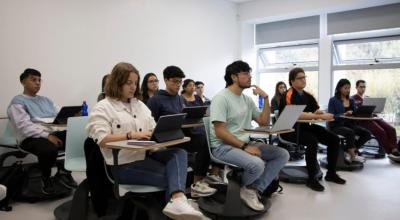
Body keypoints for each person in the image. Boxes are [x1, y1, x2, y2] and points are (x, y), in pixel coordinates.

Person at [86, 62, 204, 220]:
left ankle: (177, 202)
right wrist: (131, 135)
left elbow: (154, 128)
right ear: (116, 82)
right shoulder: (102, 107)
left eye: (135, 82)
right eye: (128, 82)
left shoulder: (139, 105)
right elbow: (103, 139)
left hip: (147, 155)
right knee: (177, 177)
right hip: (122, 164)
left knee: (179, 153)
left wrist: (157, 133)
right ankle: (178, 202)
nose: (133, 87)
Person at [209, 60, 289, 211]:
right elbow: (220, 131)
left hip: (244, 143)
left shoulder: (247, 99)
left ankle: (252, 189)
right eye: (245, 73)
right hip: (223, 147)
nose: (250, 77)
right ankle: (243, 186)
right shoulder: (221, 98)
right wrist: (245, 147)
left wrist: (265, 98)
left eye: (249, 73)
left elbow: (263, 121)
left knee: (282, 154)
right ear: (233, 77)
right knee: (257, 164)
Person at [147, 66, 217, 198]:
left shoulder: (179, 99)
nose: (178, 85)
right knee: (202, 141)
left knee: (206, 140)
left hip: (181, 134)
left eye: (180, 82)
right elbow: (149, 125)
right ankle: (195, 185)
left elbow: (182, 117)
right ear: (166, 80)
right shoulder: (155, 100)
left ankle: (198, 181)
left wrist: (192, 120)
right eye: (174, 81)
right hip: (165, 140)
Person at [7, 68, 77, 194]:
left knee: (80, 139)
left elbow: (59, 115)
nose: (38, 83)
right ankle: (45, 177)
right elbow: (24, 127)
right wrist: (47, 135)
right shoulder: (17, 102)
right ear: (23, 82)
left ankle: (64, 171)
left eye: (39, 80)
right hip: (30, 137)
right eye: (33, 80)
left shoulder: (46, 100)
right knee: (49, 150)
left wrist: (73, 116)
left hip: (52, 133)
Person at [279, 67, 346, 192]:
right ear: (292, 81)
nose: (303, 80)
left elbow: (315, 110)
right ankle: (312, 178)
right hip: (289, 130)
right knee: (312, 141)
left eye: (305, 77)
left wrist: (318, 112)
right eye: (300, 78)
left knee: (334, 139)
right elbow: (296, 114)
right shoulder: (287, 95)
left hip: (305, 127)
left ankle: (331, 173)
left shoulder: (308, 95)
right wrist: (315, 115)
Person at [181, 79, 223, 184]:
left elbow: (202, 113)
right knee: (205, 142)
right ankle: (199, 178)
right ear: (184, 87)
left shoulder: (198, 98)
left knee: (218, 138)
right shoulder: (180, 99)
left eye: (193, 85)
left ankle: (214, 173)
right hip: (189, 130)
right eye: (190, 85)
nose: (192, 87)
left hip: (200, 125)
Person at [352, 80, 400, 159]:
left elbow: (373, 109)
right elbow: (355, 112)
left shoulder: (367, 98)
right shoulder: (353, 99)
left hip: (373, 117)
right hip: (363, 120)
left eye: (364, 87)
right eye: (361, 87)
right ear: (356, 87)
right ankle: (391, 151)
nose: (363, 89)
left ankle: (395, 149)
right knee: (381, 131)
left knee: (391, 129)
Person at [328, 79, 370, 163]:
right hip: (337, 125)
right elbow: (331, 115)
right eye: (345, 88)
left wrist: (363, 112)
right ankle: (353, 156)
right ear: (340, 88)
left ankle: (348, 151)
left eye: (349, 88)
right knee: (350, 132)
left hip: (350, 124)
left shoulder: (351, 100)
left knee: (367, 134)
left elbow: (355, 112)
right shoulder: (333, 100)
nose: (348, 90)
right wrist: (344, 114)